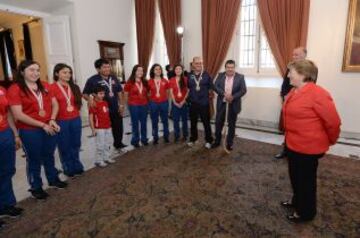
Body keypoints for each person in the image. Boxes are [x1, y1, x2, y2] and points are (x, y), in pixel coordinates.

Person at [281, 59, 341, 223]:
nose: (288, 76)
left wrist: (331, 140)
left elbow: (333, 122)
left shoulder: (318, 94)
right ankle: (297, 201)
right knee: (295, 177)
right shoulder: (295, 91)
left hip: (308, 148)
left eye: (291, 72)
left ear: (302, 74)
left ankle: (306, 212)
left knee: (306, 181)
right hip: (293, 144)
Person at [8, 60, 67, 200]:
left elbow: (55, 104)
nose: (35, 73)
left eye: (37, 70)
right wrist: (42, 125)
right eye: (31, 70)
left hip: (49, 126)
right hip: (29, 130)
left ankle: (53, 179)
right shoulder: (15, 89)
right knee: (34, 158)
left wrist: (52, 119)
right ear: (22, 72)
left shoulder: (45, 86)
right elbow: (18, 115)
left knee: (49, 154)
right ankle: (36, 187)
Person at [83, 58, 126, 153]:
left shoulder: (113, 78)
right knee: (103, 131)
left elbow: (119, 92)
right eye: (104, 67)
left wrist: (121, 105)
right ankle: (103, 149)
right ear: (98, 69)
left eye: (108, 67)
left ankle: (118, 144)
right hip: (101, 111)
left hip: (115, 107)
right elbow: (85, 93)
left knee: (118, 127)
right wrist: (90, 100)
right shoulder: (92, 80)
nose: (107, 69)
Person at [51, 63, 84, 178]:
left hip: (75, 119)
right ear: (56, 73)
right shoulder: (52, 88)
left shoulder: (74, 87)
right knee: (64, 145)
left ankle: (76, 163)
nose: (68, 75)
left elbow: (78, 104)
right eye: (64, 72)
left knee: (76, 143)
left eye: (69, 72)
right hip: (61, 121)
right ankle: (67, 166)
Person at [275, 47, 307, 159]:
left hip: (300, 102)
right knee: (288, 127)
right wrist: (284, 95)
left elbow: (309, 86)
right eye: (293, 55)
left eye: (296, 55)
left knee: (298, 128)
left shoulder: (309, 69)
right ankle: (286, 150)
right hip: (288, 99)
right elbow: (285, 83)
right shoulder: (291, 66)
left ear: (304, 55)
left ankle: (296, 151)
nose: (294, 57)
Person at [0, 82, 23, 221]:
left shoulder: (2, 89)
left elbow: (8, 113)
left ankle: (6, 205)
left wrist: (15, 134)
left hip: (5, 134)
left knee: (7, 170)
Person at [212, 60, 247, 151]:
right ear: (225, 67)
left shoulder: (240, 77)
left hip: (233, 104)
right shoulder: (220, 75)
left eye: (232, 67)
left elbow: (243, 90)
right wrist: (224, 94)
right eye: (228, 67)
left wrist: (233, 97)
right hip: (222, 104)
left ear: (234, 67)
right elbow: (215, 86)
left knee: (231, 125)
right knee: (218, 123)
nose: (230, 69)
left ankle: (229, 143)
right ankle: (217, 141)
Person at [187, 57, 214, 149]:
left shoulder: (206, 75)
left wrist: (212, 95)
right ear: (193, 64)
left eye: (200, 63)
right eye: (197, 63)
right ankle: (193, 139)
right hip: (193, 103)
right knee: (193, 123)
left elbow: (211, 87)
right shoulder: (189, 75)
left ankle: (209, 140)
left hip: (204, 103)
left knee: (206, 123)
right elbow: (187, 88)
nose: (199, 65)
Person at [89, 85, 115, 167]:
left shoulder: (105, 102)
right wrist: (93, 129)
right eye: (100, 94)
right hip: (99, 128)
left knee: (108, 143)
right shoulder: (93, 104)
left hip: (107, 126)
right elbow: (91, 118)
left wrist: (110, 125)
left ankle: (106, 157)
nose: (102, 95)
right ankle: (99, 160)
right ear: (95, 94)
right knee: (100, 144)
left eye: (103, 93)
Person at [124, 65, 149, 148]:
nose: (140, 72)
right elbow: (126, 95)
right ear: (134, 71)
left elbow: (148, 93)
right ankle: (135, 140)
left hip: (144, 105)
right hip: (134, 105)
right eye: (138, 70)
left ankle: (144, 139)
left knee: (144, 123)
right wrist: (128, 105)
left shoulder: (145, 81)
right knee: (135, 124)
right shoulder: (129, 82)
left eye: (142, 71)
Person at [148, 64, 170, 144]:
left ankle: (166, 136)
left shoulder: (165, 81)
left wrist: (165, 100)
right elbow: (148, 93)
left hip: (164, 103)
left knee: (165, 121)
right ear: (153, 71)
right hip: (153, 104)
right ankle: (155, 137)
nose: (158, 71)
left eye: (159, 69)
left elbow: (168, 93)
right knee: (154, 121)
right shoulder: (149, 81)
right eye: (156, 69)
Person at [169, 64, 189, 142]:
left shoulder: (186, 79)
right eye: (176, 69)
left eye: (179, 69)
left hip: (184, 103)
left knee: (184, 120)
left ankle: (185, 135)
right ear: (174, 71)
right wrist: (175, 102)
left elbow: (188, 91)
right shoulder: (171, 80)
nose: (178, 70)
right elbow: (171, 92)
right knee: (175, 120)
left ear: (182, 70)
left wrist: (183, 101)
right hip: (175, 103)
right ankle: (176, 136)